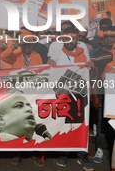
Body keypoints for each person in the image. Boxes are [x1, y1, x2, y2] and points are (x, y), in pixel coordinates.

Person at [47, 27, 95, 171]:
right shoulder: (55, 48)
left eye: (73, 38)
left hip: (80, 92)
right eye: (67, 38)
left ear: (77, 39)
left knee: (80, 124)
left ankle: (82, 154)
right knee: (63, 123)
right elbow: (49, 66)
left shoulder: (83, 48)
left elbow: (88, 67)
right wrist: (50, 62)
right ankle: (63, 153)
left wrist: (90, 66)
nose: (70, 41)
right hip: (62, 93)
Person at [90, 26, 115, 164]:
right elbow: (93, 77)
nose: (109, 39)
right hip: (103, 94)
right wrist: (94, 95)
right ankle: (101, 148)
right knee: (102, 124)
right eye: (106, 37)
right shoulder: (96, 54)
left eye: (112, 36)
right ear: (102, 39)